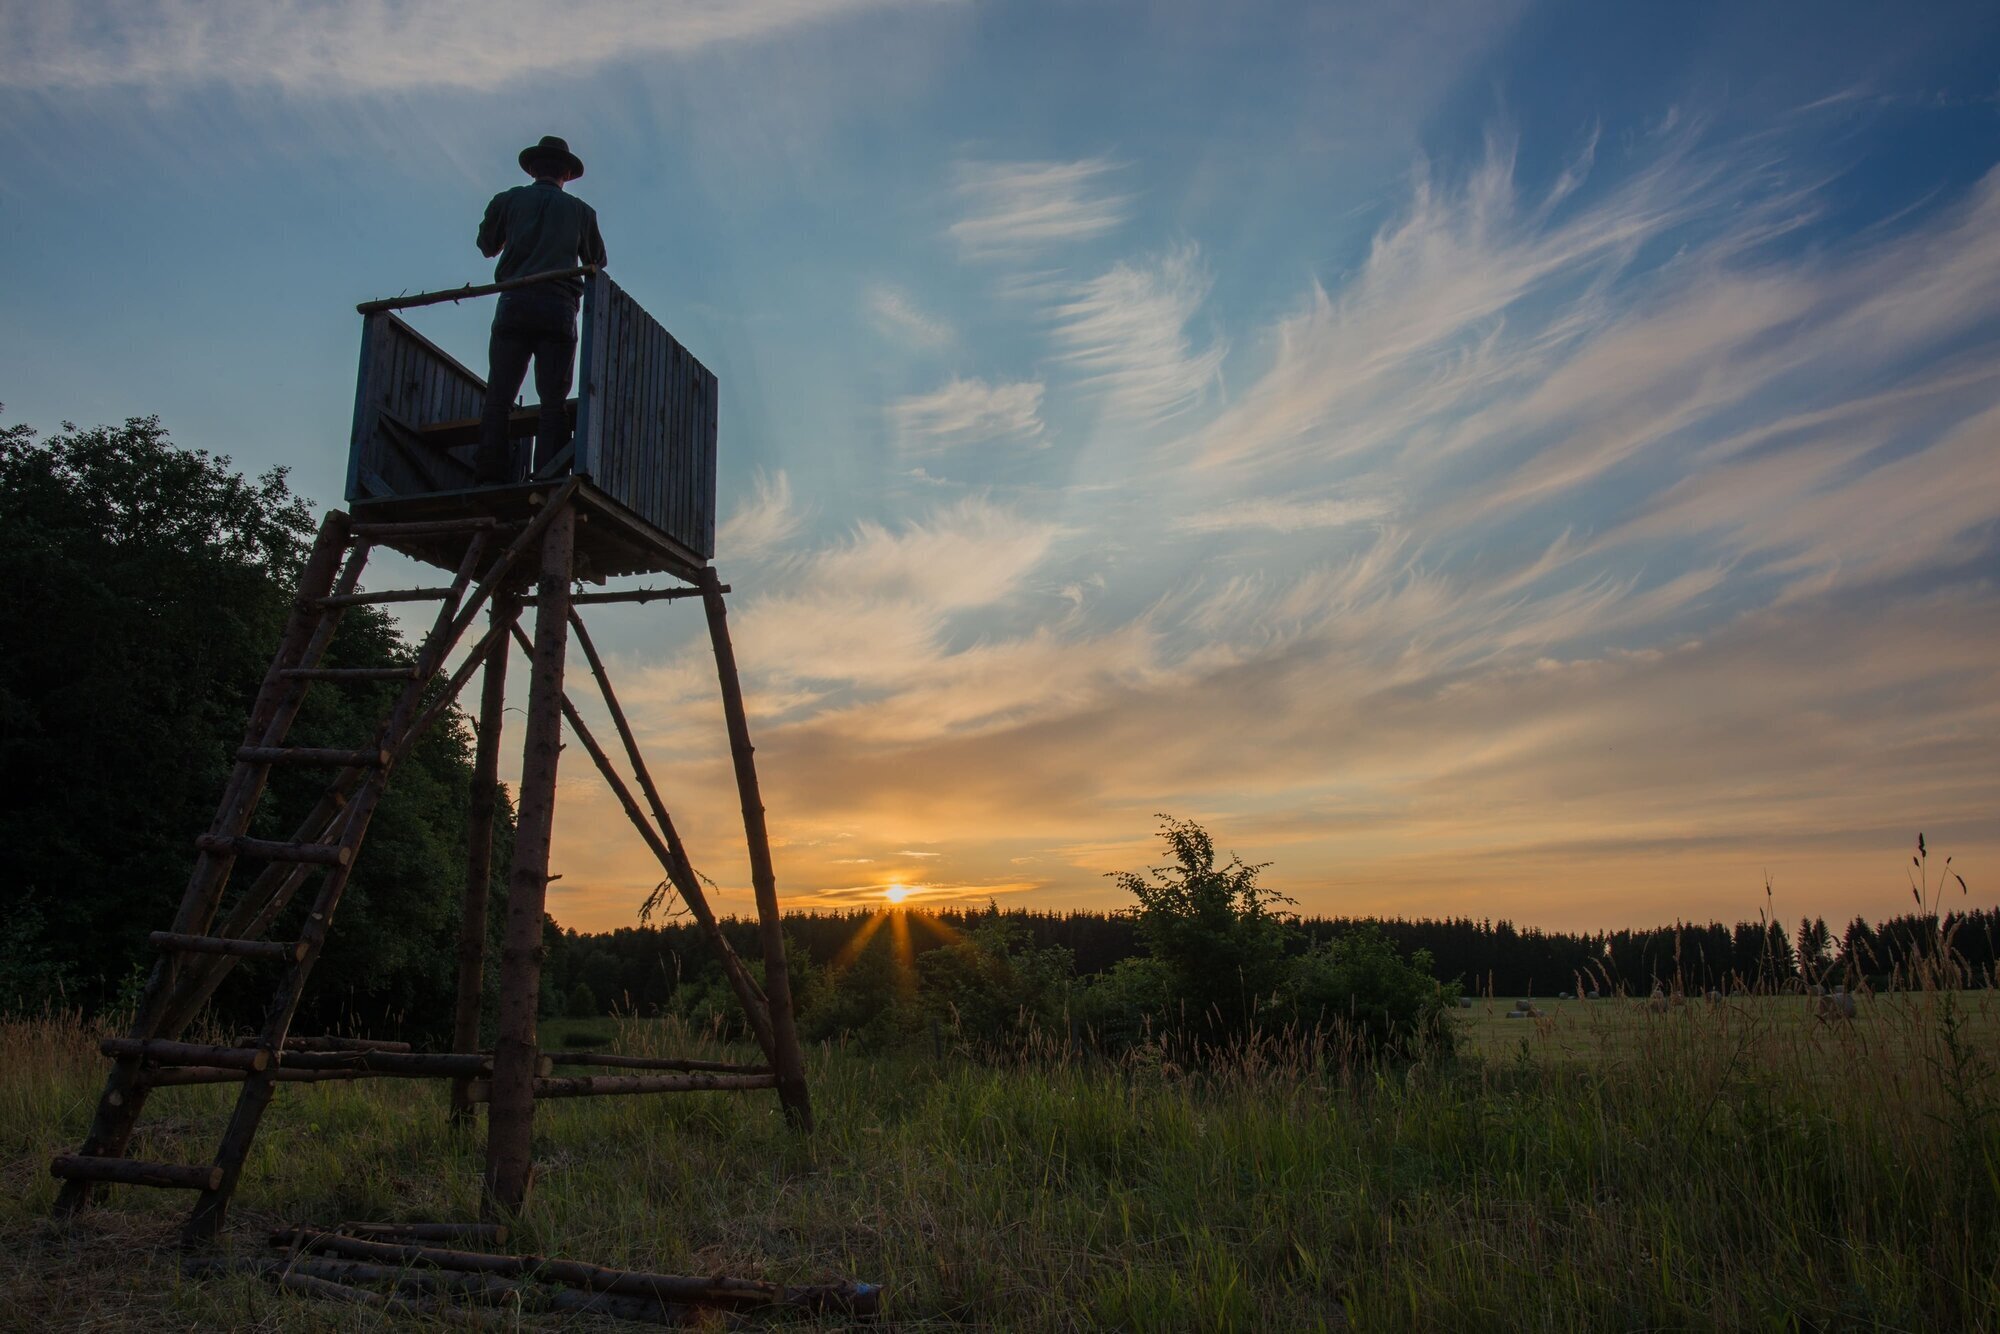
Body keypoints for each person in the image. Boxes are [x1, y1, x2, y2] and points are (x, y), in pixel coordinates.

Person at [473, 135, 608, 485]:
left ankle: (489, 474)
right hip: (559, 308)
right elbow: (598, 262)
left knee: (499, 396)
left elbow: (487, 245)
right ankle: (548, 476)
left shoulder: (508, 200)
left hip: (514, 303)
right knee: (553, 400)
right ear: (566, 172)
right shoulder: (581, 211)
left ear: (533, 169)